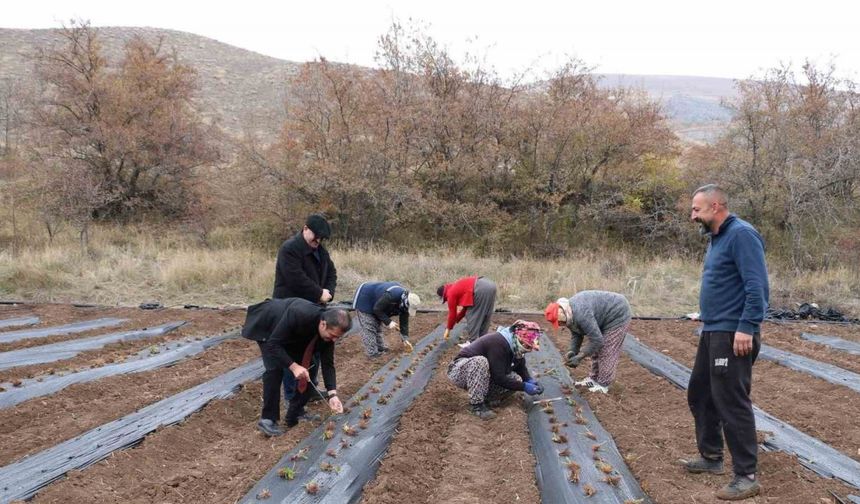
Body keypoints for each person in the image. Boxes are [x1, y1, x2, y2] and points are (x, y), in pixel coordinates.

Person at [684, 184, 768, 501]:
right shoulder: (717, 238)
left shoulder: (742, 235)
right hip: (713, 331)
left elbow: (756, 285)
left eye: (697, 209)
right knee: (701, 393)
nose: (693, 215)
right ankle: (711, 457)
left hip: (734, 334)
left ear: (716, 206)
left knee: (731, 401)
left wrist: (747, 326)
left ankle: (746, 476)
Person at [241, 297, 350, 437]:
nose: (334, 340)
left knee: (310, 366)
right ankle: (268, 419)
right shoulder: (300, 314)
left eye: (337, 337)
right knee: (275, 369)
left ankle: (295, 414)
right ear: (323, 324)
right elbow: (274, 345)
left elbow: (328, 364)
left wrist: (333, 395)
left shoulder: (328, 332)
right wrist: (293, 366)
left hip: (293, 334)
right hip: (268, 326)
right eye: (332, 336)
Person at [272, 213, 337, 402]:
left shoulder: (321, 251)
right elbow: (296, 279)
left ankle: (309, 390)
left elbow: (332, 273)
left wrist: (329, 292)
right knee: (294, 353)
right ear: (305, 228)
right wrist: (319, 293)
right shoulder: (290, 249)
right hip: (290, 309)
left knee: (314, 350)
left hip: (312, 309)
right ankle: (294, 398)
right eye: (315, 236)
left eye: (321, 238)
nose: (318, 240)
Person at [447, 320, 544, 420]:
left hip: (484, 375)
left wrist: (529, 380)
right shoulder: (498, 343)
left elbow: (520, 366)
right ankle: (477, 406)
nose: (528, 348)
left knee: (517, 379)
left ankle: (488, 398)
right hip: (460, 370)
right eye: (527, 345)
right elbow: (499, 378)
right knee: (480, 361)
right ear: (518, 338)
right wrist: (524, 387)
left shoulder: (514, 345)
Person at [544, 290, 632, 394]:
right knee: (594, 350)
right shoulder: (569, 314)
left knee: (606, 350)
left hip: (617, 313)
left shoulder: (581, 313)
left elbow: (597, 341)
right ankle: (593, 379)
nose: (559, 324)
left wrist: (580, 357)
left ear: (561, 311)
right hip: (602, 317)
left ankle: (603, 385)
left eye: (558, 321)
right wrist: (572, 351)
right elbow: (576, 334)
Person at [352, 281, 421, 357]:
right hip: (365, 297)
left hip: (378, 302)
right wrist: (389, 322)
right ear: (406, 302)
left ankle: (381, 347)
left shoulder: (404, 305)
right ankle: (372, 353)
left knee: (377, 325)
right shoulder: (392, 295)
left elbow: (404, 323)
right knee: (369, 326)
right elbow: (377, 309)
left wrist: (405, 339)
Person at [437, 275, 497, 343]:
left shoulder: (450, 293)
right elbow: (466, 307)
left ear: (443, 295)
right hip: (489, 284)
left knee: (472, 315)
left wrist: (448, 329)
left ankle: (474, 343)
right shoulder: (456, 287)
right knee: (485, 314)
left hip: (480, 288)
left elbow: (452, 314)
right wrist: (457, 320)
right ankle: (483, 341)